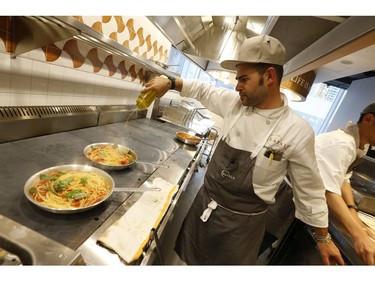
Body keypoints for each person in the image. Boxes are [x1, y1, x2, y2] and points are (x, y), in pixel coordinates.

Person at [141, 35, 344, 265]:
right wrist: (169, 82)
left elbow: (309, 189)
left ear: (269, 76)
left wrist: (323, 238)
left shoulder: (297, 131)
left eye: (244, 79)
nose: (237, 86)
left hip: (241, 229)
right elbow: (203, 90)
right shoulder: (235, 104)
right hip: (204, 208)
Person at [314, 102, 375, 265]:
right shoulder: (342, 144)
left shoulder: (363, 143)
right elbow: (328, 191)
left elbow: (343, 178)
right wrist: (359, 236)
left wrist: (354, 215)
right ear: (368, 119)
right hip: (284, 200)